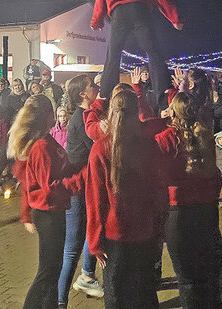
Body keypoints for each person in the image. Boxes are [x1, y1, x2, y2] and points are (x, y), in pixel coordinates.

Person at [84, 89, 168, 309]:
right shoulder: (148, 145)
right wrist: (161, 226)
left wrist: (95, 242)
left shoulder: (100, 149)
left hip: (115, 234)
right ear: (136, 112)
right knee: (145, 291)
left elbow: (95, 200)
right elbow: (159, 190)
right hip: (145, 230)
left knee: (117, 293)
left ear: (111, 112)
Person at [8, 94, 82, 309]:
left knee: (53, 270)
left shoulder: (47, 140)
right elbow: (50, 187)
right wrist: (79, 180)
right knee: (47, 272)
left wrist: (80, 166)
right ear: (47, 115)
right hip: (48, 213)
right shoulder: (41, 146)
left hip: (54, 211)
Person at [91, 0, 183, 107]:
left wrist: (97, 20)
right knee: (153, 51)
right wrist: (174, 17)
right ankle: (163, 94)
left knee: (113, 54)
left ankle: (106, 95)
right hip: (139, 9)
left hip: (118, 12)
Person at [154, 92, 222, 308]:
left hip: (179, 212)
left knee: (187, 279)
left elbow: (157, 176)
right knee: (209, 272)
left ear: (173, 112)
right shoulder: (206, 134)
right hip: (206, 210)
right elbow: (215, 174)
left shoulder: (165, 139)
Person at [58, 75, 104, 306]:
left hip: (83, 184)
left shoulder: (85, 115)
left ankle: (86, 274)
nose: (96, 88)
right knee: (71, 248)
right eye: (92, 86)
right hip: (76, 186)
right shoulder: (82, 118)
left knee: (90, 230)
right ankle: (60, 301)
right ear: (83, 94)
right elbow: (97, 148)